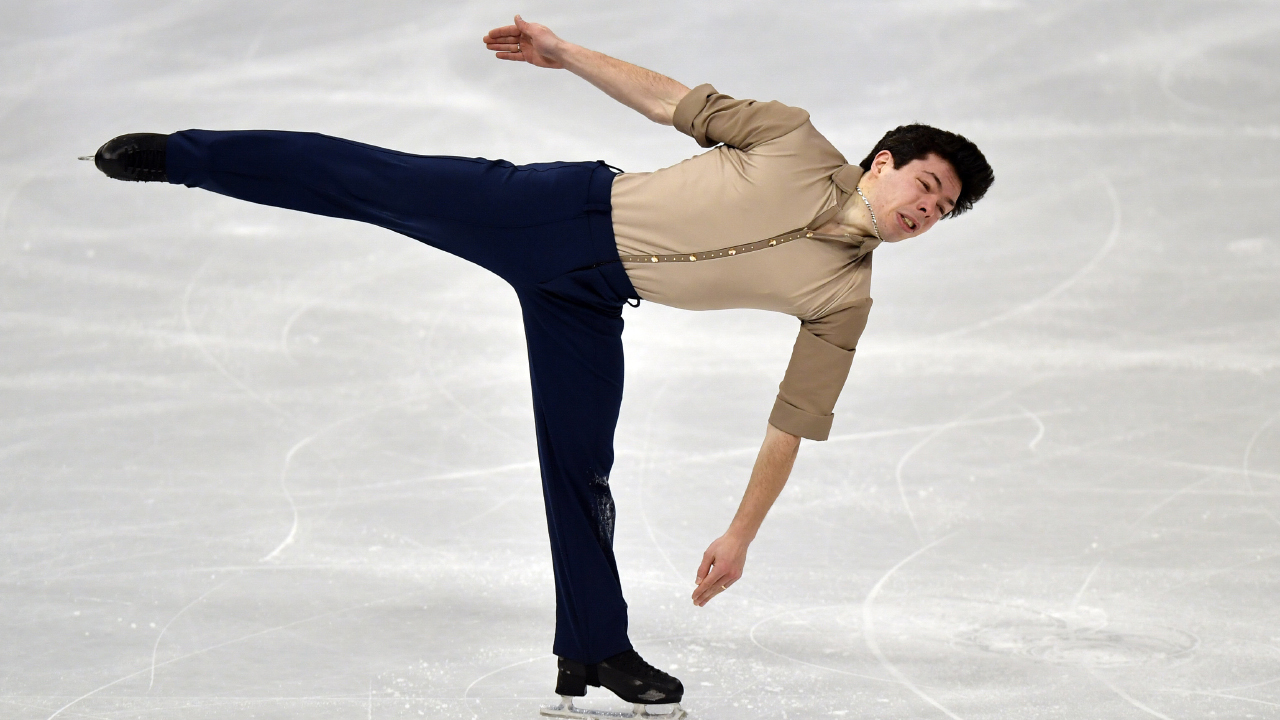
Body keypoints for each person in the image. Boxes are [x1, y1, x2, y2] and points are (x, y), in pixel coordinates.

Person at [89, 14, 993, 717]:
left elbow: (792, 421)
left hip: (590, 306)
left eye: (943, 212)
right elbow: (671, 100)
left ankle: (594, 648)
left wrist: (741, 534)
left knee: (581, 469)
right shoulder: (792, 139)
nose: (927, 212)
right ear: (885, 162)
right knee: (375, 180)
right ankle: (183, 157)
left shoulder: (845, 298)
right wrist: (565, 54)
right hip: (555, 213)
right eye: (926, 187)